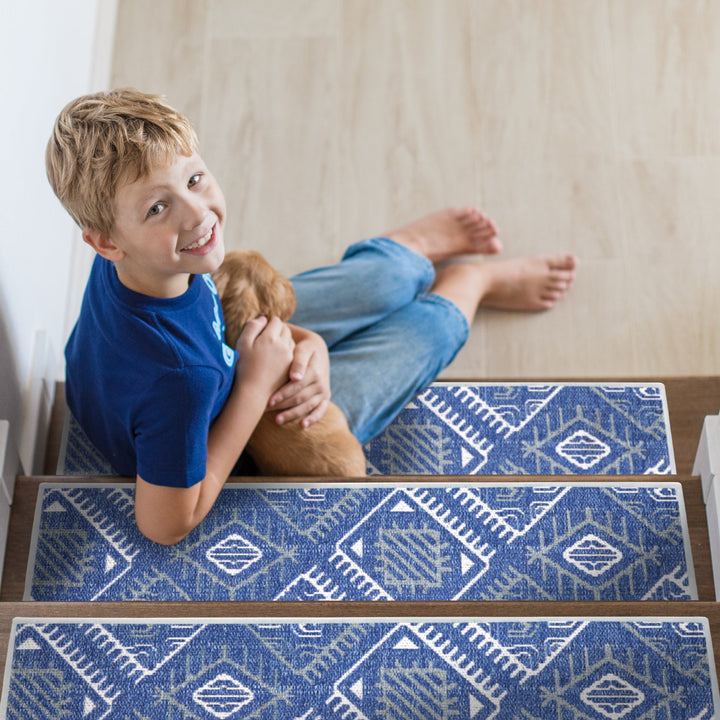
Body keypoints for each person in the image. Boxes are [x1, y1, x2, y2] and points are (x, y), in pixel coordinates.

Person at [46, 88, 577, 545]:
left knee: (380, 284)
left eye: (194, 179)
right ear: (106, 241)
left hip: (221, 353)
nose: (198, 213)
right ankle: (471, 283)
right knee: (425, 332)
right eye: (158, 208)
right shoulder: (181, 380)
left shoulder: (137, 265)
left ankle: (408, 253)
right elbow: (164, 525)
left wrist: (308, 343)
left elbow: (207, 321)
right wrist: (255, 384)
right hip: (242, 417)